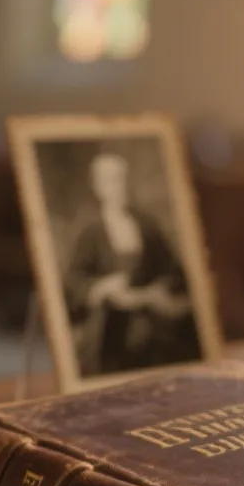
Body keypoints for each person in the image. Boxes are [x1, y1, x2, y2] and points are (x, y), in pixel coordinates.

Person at [60, 151, 202, 376]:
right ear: (98, 186)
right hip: (107, 327)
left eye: (122, 179)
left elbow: (173, 270)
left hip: (150, 322)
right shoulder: (89, 230)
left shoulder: (146, 225)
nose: (120, 186)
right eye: (112, 180)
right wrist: (102, 287)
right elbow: (74, 280)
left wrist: (156, 291)